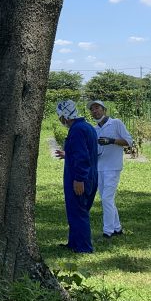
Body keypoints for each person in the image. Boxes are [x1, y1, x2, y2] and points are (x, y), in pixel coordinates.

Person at [54, 99, 98, 253]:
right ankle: (73, 243)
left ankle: (84, 248)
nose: (61, 121)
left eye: (60, 117)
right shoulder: (87, 127)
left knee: (78, 212)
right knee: (76, 212)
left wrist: (79, 179)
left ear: (65, 116)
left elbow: (82, 157)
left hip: (80, 178)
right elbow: (85, 152)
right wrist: (68, 154)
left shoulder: (77, 130)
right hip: (91, 176)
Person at [88, 100, 134, 239]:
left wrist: (111, 140)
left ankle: (108, 232)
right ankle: (117, 227)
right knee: (107, 199)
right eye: (92, 109)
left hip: (113, 167)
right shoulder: (94, 129)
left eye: (97, 108)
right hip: (99, 167)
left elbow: (129, 142)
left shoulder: (116, 123)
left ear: (104, 110)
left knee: (107, 198)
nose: (95, 111)